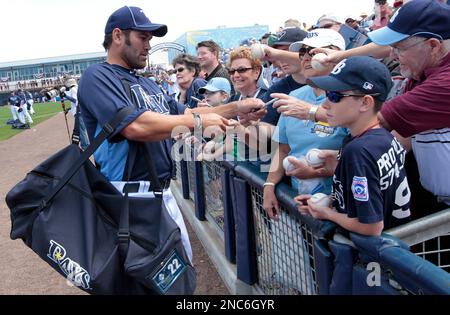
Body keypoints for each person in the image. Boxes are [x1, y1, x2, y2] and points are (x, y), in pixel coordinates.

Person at [78, 6, 265, 265]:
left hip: (160, 194)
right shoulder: (97, 76)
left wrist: (236, 107)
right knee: (151, 278)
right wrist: (198, 120)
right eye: (143, 37)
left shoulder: (146, 82)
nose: (148, 45)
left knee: (179, 273)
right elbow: (135, 127)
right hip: (129, 197)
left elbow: (189, 113)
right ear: (118, 36)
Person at [296, 56, 411, 236]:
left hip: (374, 258)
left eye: (335, 96)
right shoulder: (382, 137)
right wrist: (330, 200)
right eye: (327, 94)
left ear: (365, 103)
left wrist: (327, 213)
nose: (325, 104)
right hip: (393, 245)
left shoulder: (359, 150)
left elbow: (371, 226)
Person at [263, 28, 348, 220]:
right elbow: (283, 149)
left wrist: (315, 171)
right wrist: (269, 185)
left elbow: (363, 151)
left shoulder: (352, 96)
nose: (306, 58)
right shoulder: (294, 97)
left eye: (314, 51)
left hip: (343, 205)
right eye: (303, 53)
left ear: (336, 55)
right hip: (300, 202)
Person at [63, 77, 90, 150]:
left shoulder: (73, 89)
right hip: (80, 111)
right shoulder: (77, 88)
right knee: (81, 129)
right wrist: (69, 109)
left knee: (81, 129)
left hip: (78, 112)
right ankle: (83, 144)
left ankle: (86, 146)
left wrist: (66, 96)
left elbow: (75, 100)